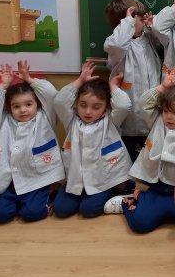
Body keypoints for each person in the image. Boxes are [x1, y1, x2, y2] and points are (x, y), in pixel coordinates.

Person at [105, 67, 175, 234]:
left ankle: (169, 211)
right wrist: (163, 87)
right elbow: (144, 103)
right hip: (157, 189)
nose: (168, 116)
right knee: (140, 224)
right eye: (166, 111)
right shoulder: (158, 120)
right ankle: (129, 201)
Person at [0, 60, 64, 224]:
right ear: (9, 108)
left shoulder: (46, 117)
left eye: (28, 104)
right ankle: (11, 203)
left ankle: (50, 193)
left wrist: (29, 80)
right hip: (8, 182)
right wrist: (4, 85)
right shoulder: (3, 122)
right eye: (16, 106)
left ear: (37, 104)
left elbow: (51, 94)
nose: (23, 110)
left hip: (37, 180)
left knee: (32, 214)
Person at [52, 62, 133, 218]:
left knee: (88, 210)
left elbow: (123, 106)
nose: (88, 112)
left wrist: (112, 86)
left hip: (103, 180)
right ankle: (80, 195)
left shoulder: (111, 121)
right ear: (76, 103)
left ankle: (117, 190)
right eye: (83, 105)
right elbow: (59, 101)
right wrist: (80, 81)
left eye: (96, 107)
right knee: (61, 210)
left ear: (106, 107)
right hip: (75, 179)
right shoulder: (71, 121)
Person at [104, 0, 161, 162]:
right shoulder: (115, 45)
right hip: (128, 123)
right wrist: (128, 22)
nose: (143, 23)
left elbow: (164, 36)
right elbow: (117, 44)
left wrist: (152, 24)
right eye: (139, 20)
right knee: (127, 159)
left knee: (148, 160)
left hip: (151, 118)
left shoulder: (147, 38)